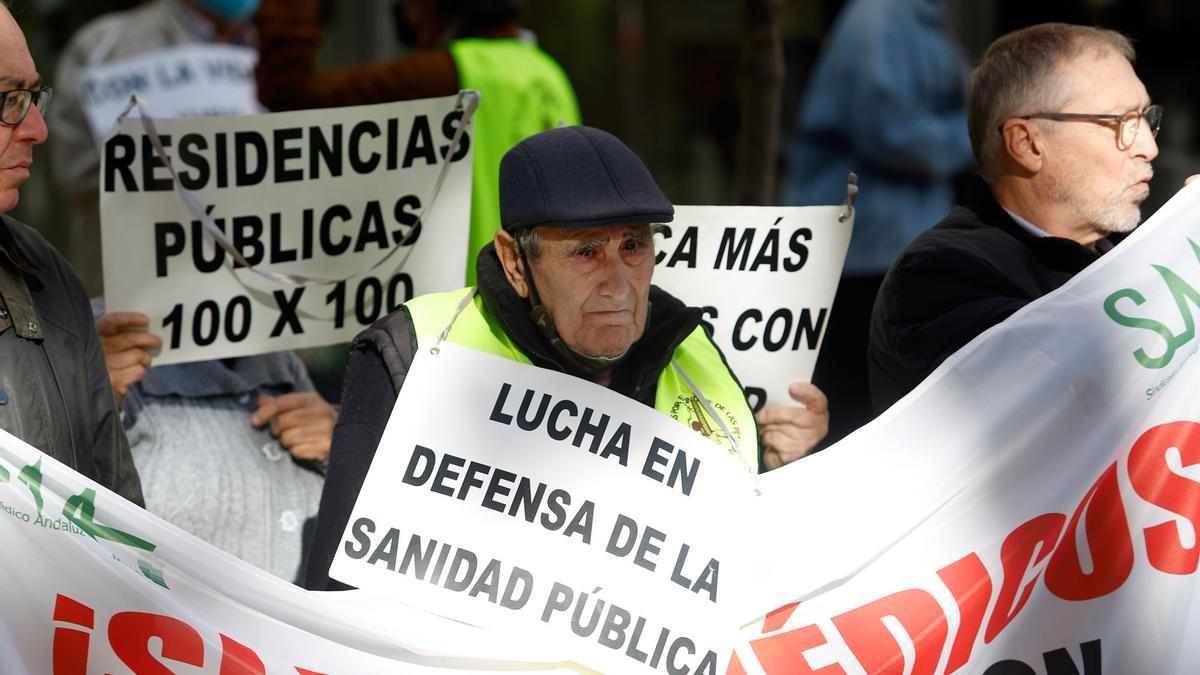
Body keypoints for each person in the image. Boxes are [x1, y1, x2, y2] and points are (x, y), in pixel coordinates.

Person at [305, 126, 829, 590]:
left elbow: (746, 570)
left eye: (634, 246)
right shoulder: (414, 349)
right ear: (515, 261)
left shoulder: (690, 349)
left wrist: (781, 473)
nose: (620, 284)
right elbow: (339, 595)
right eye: (586, 251)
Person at [868, 23, 1161, 412]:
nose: (1149, 146)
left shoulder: (1128, 249)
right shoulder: (940, 275)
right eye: (1120, 123)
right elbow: (1067, 394)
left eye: (1146, 117)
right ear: (1027, 145)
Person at [254, 0, 580, 285]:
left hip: (470, 313)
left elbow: (290, 92)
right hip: (542, 304)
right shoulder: (549, 73)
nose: (406, 17)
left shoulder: (446, 74)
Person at [785, 0, 975, 445]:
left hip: (900, 244)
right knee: (855, 408)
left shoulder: (925, 18)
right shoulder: (879, 17)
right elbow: (893, 135)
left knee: (888, 403)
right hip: (860, 251)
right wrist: (984, 134)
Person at [0, 3, 143, 505]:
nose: (37, 128)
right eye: (6, 100)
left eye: (32, 96)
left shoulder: (46, 273)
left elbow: (118, 532)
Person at [49, 0, 259, 296]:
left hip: (254, 306)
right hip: (139, 306)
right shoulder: (104, 47)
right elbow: (75, 171)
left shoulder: (272, 48)